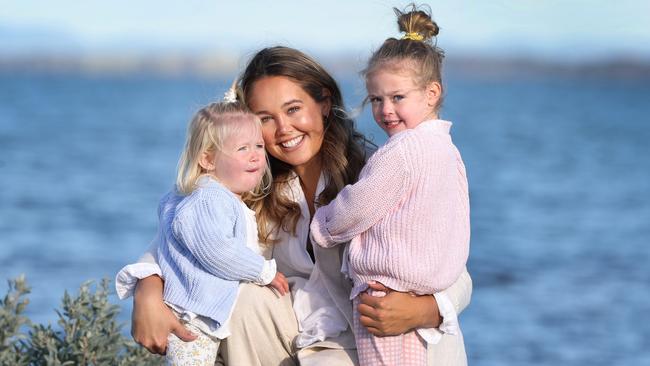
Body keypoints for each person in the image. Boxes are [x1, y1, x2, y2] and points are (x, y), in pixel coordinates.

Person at [116, 45, 472, 366]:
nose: (284, 129)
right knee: (247, 299)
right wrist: (149, 287)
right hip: (289, 337)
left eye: (293, 109)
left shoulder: (377, 171)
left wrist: (424, 311)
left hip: (370, 342)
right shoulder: (248, 179)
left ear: (324, 104)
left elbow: (452, 266)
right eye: (265, 118)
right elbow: (186, 229)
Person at [309, 4, 470, 365]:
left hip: (386, 292)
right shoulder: (446, 150)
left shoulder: (401, 152)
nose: (385, 111)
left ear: (432, 93)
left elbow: (360, 206)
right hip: (424, 291)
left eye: (398, 97)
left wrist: (322, 224)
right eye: (376, 100)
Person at [124, 99, 290, 365]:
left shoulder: (215, 196)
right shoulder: (208, 198)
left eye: (258, 145)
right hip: (193, 319)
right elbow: (217, 250)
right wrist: (264, 271)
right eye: (242, 148)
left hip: (202, 315)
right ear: (207, 159)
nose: (256, 155)